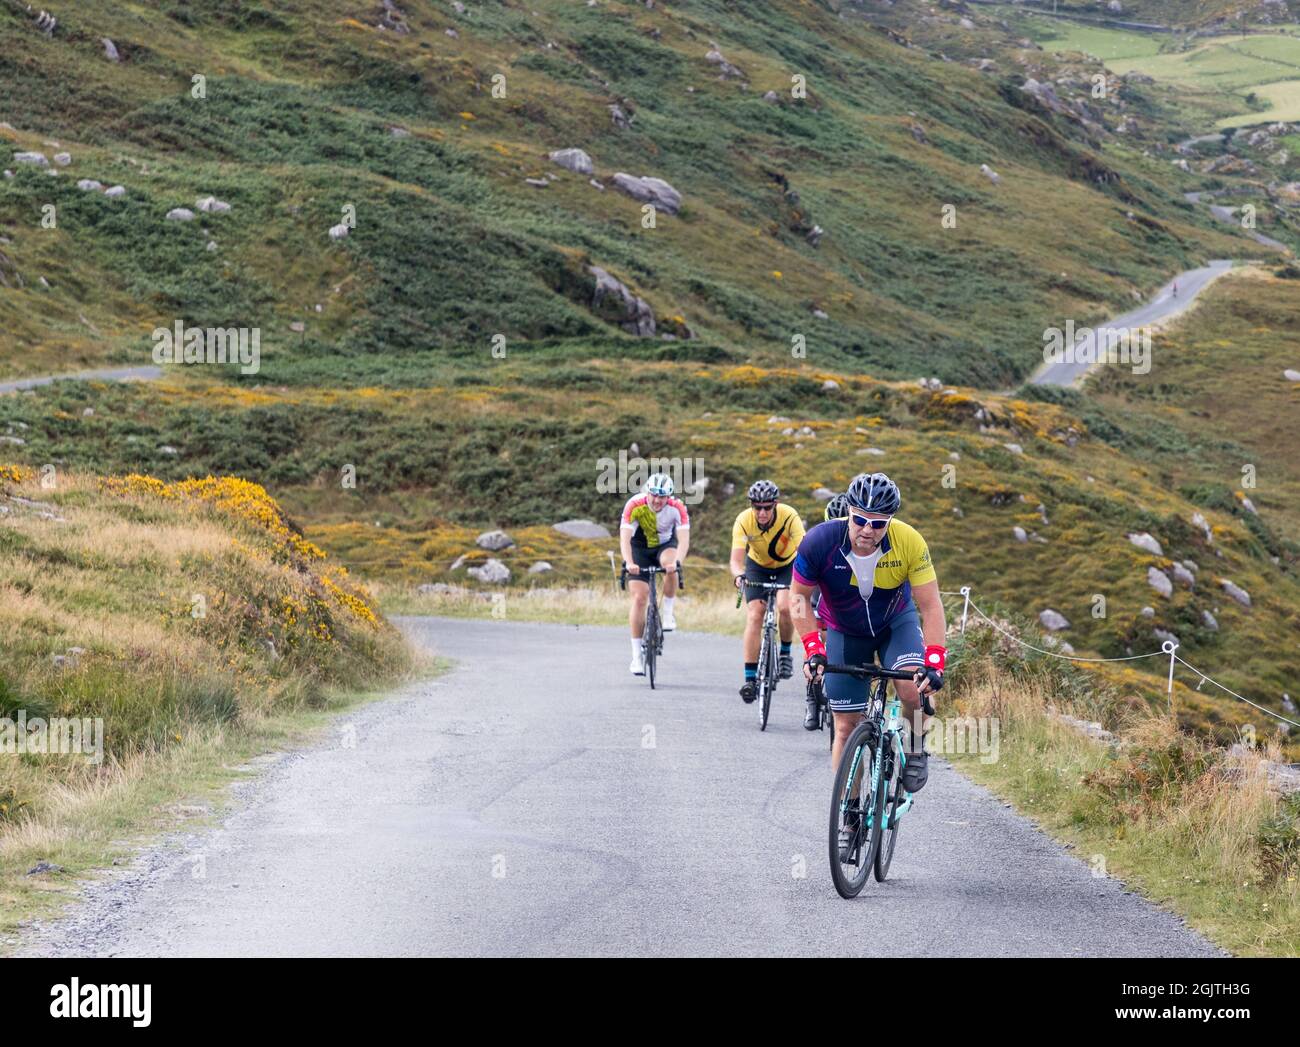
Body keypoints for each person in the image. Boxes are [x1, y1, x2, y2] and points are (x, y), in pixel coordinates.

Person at [789, 473, 947, 800]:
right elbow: (798, 598)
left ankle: (916, 746)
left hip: (895, 625)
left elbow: (930, 606)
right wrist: (813, 649)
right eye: (860, 519)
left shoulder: (910, 541)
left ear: (890, 521)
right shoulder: (819, 542)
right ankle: (848, 815)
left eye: (878, 524)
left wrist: (935, 661)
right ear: (848, 512)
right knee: (845, 728)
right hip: (845, 632)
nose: (867, 529)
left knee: (911, 689)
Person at [729, 480, 806, 703]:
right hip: (757, 567)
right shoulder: (744, 521)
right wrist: (738, 575)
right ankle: (750, 679)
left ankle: (785, 653)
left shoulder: (789, 516)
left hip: (787, 566)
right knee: (755, 614)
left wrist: (804, 578)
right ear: (752, 506)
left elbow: (804, 551)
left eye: (767, 507)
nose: (762, 512)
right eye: (757, 507)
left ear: (775, 505)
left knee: (784, 607)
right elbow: (736, 560)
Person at [619, 473, 690, 675]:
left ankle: (668, 614)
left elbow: (683, 540)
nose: (658, 501)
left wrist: (678, 563)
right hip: (639, 549)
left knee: (670, 564)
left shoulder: (678, 507)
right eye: (654, 496)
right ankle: (636, 657)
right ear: (647, 493)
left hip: (665, 546)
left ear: (669, 497)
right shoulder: (634, 504)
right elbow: (624, 539)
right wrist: (629, 562)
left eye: (663, 497)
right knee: (640, 598)